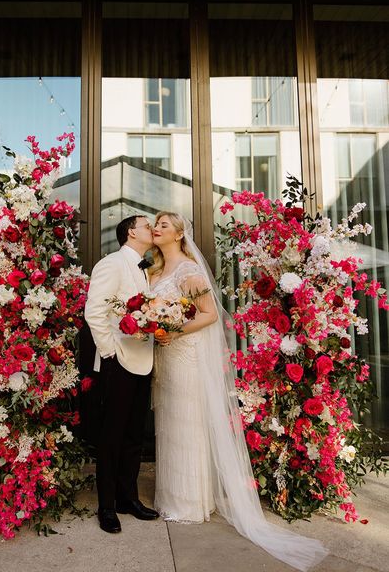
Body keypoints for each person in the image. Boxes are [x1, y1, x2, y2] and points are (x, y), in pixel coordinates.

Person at [149, 211, 329, 572]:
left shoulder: (188, 270)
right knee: (170, 422)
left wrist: (172, 329)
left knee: (188, 424)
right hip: (165, 356)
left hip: (184, 355)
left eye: (163, 225)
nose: (156, 228)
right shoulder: (155, 271)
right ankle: (173, 495)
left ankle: (189, 502)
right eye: (155, 223)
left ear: (180, 234)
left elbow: (210, 314)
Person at [84, 215, 159, 534]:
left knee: (134, 436)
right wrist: (109, 353)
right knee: (111, 437)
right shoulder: (112, 263)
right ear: (131, 232)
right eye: (146, 225)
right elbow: (94, 312)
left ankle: (129, 498)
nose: (152, 229)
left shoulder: (147, 269)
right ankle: (107, 506)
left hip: (144, 360)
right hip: (119, 361)